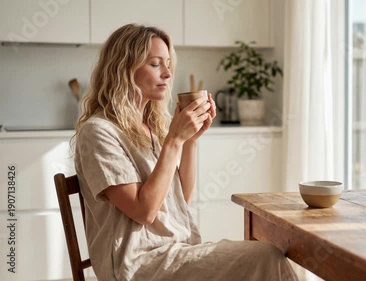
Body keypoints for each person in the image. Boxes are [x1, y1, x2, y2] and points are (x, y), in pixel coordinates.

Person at [73, 23, 298, 281]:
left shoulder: (150, 127)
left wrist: (189, 140)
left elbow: (182, 199)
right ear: (123, 68)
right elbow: (144, 211)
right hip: (137, 264)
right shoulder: (99, 131)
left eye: (168, 64)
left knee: (265, 256)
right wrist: (174, 140)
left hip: (173, 251)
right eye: (155, 64)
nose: (168, 74)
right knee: (265, 257)